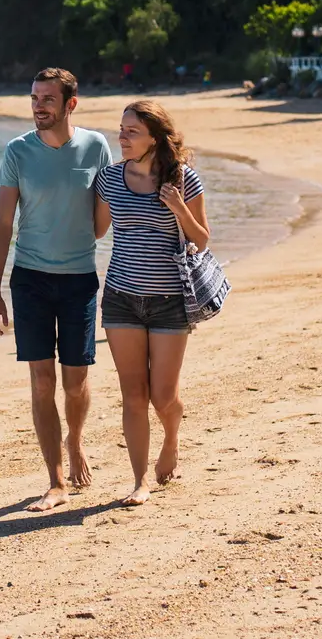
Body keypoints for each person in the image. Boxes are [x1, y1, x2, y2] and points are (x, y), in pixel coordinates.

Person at [0, 67, 114, 512]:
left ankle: (76, 440)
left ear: (69, 104)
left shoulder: (96, 146)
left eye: (47, 99)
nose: (38, 105)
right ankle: (55, 481)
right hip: (30, 278)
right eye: (34, 97)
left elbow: (102, 223)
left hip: (79, 278)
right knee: (42, 380)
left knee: (75, 382)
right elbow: (4, 224)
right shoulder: (17, 151)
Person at [93, 100, 209, 506]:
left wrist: (177, 207)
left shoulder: (183, 179)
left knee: (163, 396)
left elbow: (201, 240)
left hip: (169, 302)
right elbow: (94, 230)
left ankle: (172, 438)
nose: (121, 138)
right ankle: (138, 481)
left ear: (155, 138)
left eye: (131, 131)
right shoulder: (108, 178)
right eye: (120, 129)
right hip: (121, 299)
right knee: (133, 394)